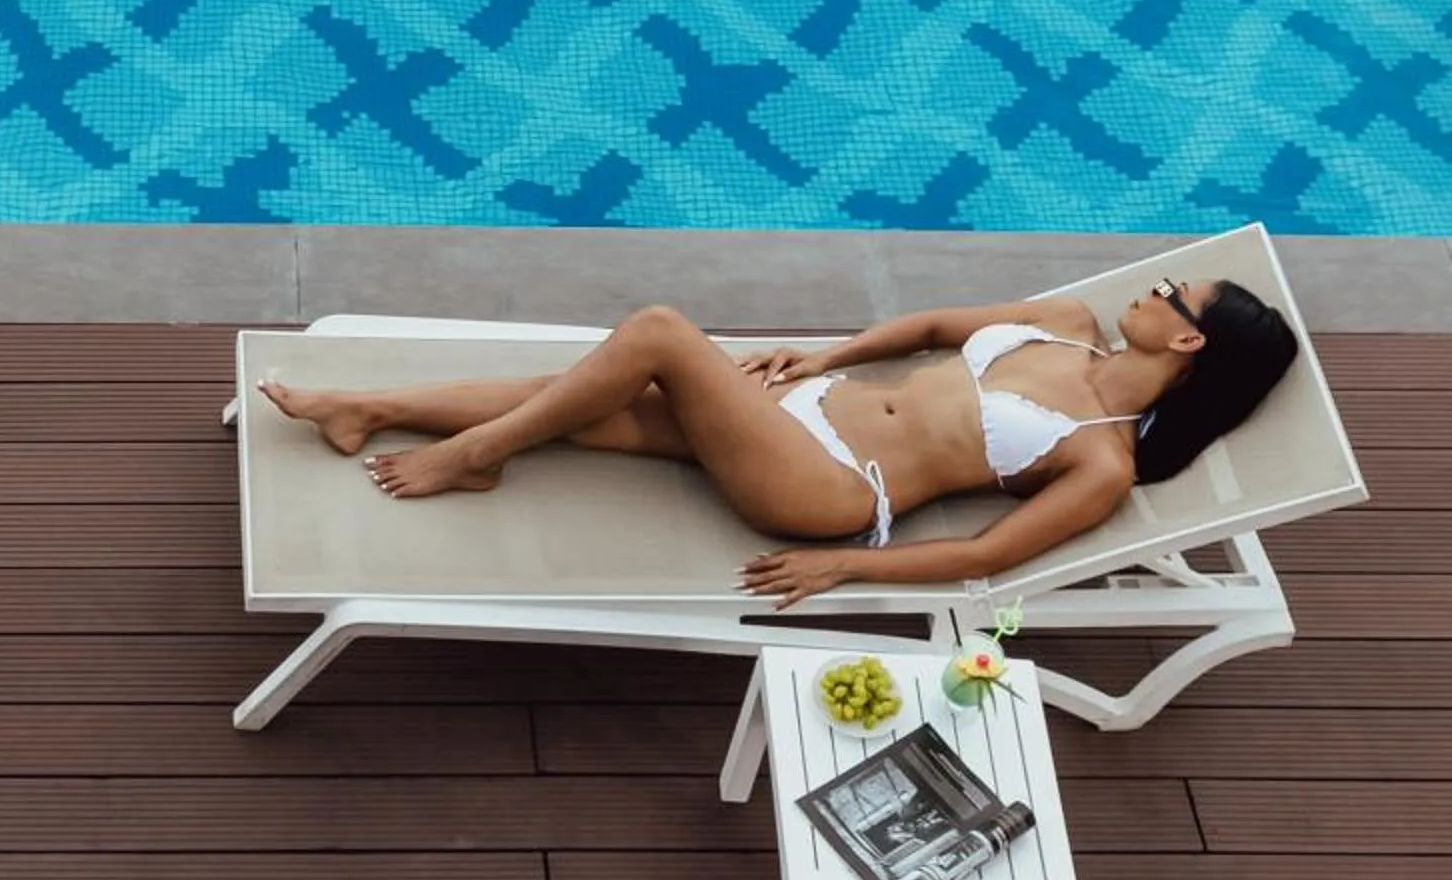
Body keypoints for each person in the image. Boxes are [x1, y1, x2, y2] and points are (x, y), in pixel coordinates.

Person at [256, 275, 1300, 607]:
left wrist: (842, 568)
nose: (1150, 287)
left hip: (829, 487)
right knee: (578, 391)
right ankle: (371, 409)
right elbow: (937, 330)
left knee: (658, 336)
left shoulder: (1103, 461)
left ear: (1187, 338)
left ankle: (474, 455)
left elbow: (986, 559)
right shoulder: (1065, 325)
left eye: (1171, 292)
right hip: (799, 413)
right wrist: (823, 356)